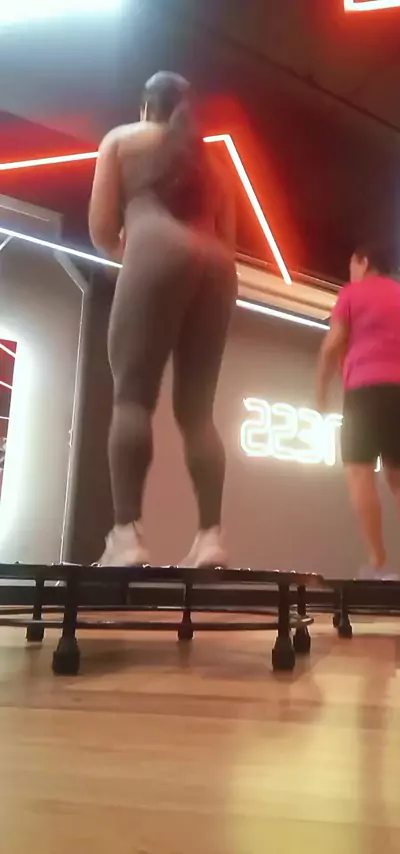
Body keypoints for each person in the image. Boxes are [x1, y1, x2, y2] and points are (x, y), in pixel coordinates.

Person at [88, 72, 237, 567]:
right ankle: (211, 537)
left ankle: (127, 536)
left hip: (155, 248)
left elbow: (102, 230)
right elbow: (229, 243)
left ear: (145, 107)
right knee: (198, 412)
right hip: (218, 267)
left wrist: (139, 259)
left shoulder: (122, 140)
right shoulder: (216, 166)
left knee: (132, 397)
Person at [316, 240, 400, 581]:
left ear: (363, 261)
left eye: (352, 264)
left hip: (367, 386)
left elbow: (333, 343)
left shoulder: (353, 293)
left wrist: (320, 389)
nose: (351, 271)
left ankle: (379, 563)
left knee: (359, 470)